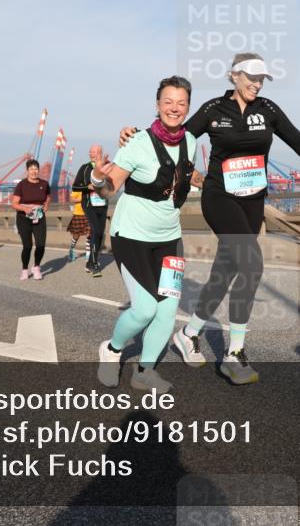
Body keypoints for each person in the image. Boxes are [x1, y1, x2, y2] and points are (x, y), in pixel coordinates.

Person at [119, 53, 300, 385]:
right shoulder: (212, 110)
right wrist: (134, 134)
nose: (257, 83)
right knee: (252, 266)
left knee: (226, 270)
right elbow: (171, 134)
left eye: (262, 78)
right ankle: (233, 355)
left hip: (252, 202)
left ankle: (189, 334)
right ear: (233, 76)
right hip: (219, 197)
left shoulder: (269, 110)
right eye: (251, 76)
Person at [97, 75, 200, 394]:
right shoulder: (137, 142)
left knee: (167, 309)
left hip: (169, 237)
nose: (174, 108)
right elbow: (109, 187)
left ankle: (145, 371)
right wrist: (100, 179)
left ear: (187, 107)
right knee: (144, 308)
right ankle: (112, 350)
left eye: (181, 103)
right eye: (168, 101)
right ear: (157, 105)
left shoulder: (192, 142)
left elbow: (182, 180)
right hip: (132, 236)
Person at [72, 145, 109, 276]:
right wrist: (87, 187)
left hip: (103, 204)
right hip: (89, 204)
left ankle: (92, 261)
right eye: (90, 151)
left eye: (94, 152)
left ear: (101, 153)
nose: (91, 154)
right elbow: (75, 186)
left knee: (100, 233)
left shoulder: (107, 165)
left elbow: (113, 183)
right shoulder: (85, 168)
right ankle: (93, 264)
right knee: (96, 231)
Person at [11, 160, 50, 280]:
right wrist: (24, 208)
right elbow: (14, 204)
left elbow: (48, 196)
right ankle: (24, 270)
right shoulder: (21, 185)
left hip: (39, 216)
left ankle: (36, 267)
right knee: (27, 246)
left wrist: (46, 204)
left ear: (38, 170)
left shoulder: (44, 183)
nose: (34, 171)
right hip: (24, 218)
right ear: (27, 171)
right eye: (31, 169)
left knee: (41, 245)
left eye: (36, 169)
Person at [65, 190, 90, 263]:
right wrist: (83, 198)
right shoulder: (77, 187)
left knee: (89, 234)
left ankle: (88, 257)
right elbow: (71, 199)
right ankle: (72, 248)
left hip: (89, 214)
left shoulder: (91, 187)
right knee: (76, 235)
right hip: (78, 214)